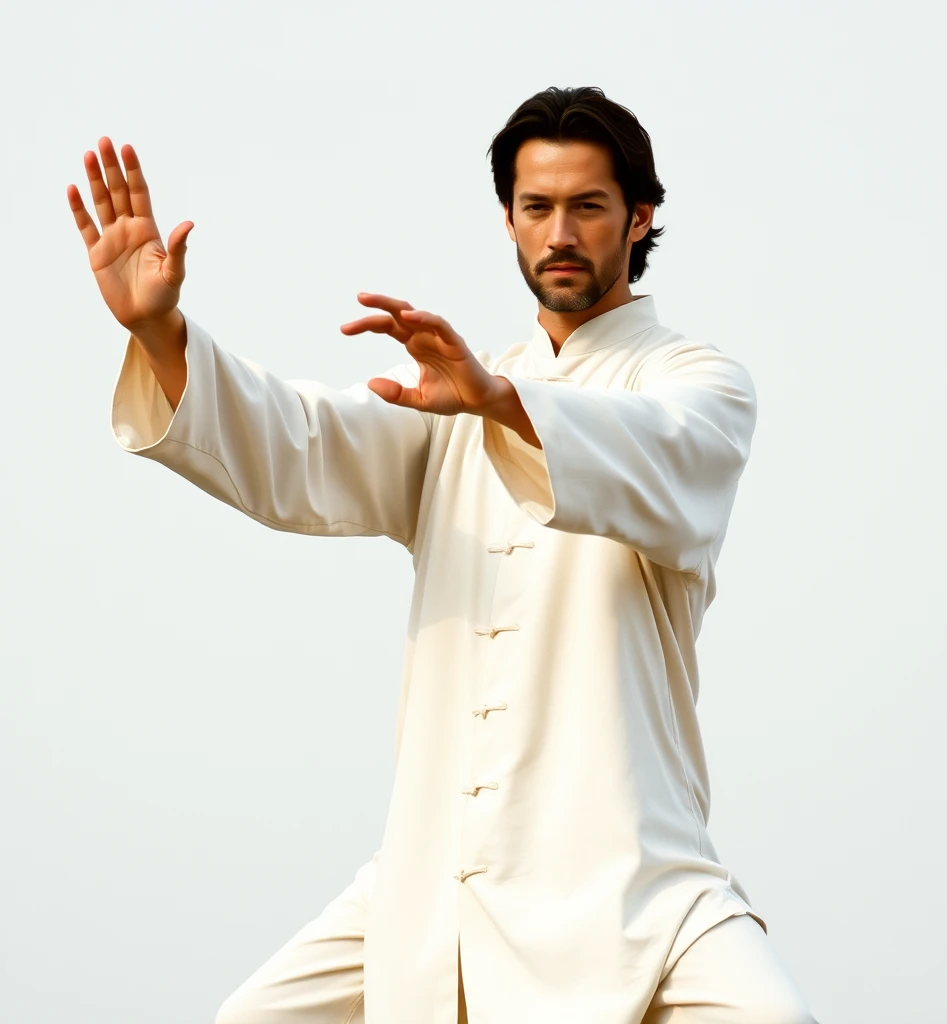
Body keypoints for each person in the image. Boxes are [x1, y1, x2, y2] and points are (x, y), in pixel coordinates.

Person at [68, 86, 817, 1024]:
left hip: (636, 883)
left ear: (641, 216)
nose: (560, 233)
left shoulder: (694, 381)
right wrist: (159, 332)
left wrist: (503, 403)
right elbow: (300, 443)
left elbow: (664, 450)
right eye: (536, 207)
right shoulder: (453, 396)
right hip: (433, 879)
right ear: (507, 218)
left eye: (588, 206)